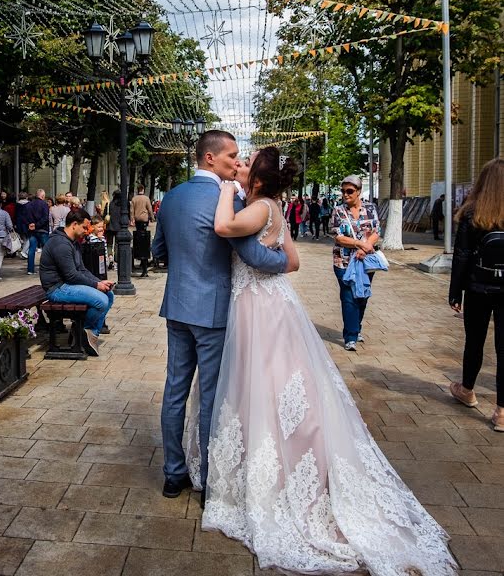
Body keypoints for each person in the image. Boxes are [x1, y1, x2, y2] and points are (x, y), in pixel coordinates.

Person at [186, 145, 456, 576]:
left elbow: (222, 227)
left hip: (257, 307)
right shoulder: (269, 206)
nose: (240, 164)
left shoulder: (256, 209)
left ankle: (273, 475)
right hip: (273, 304)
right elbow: (292, 262)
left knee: (262, 385)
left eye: (246, 163)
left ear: (256, 177)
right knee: (278, 384)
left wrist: (223, 186)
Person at [151, 130, 289, 502]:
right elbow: (255, 256)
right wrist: (286, 260)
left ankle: (173, 473)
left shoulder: (171, 198)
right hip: (212, 313)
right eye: (231, 156)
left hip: (177, 307)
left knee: (175, 391)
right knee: (211, 396)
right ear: (209, 158)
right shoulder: (225, 201)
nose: (236, 162)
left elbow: (158, 250)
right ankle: (211, 480)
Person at [449, 158, 504, 431]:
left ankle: (467, 390)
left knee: (475, 341)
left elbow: (461, 256)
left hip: (477, 287)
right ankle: (502, 412)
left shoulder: (472, 213)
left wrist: (454, 293)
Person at [40, 208, 114, 356]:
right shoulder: (60, 244)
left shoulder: (73, 243)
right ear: (74, 224)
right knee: (102, 301)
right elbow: (72, 275)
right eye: (85, 227)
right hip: (57, 289)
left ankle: (88, 332)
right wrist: (96, 285)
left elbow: (81, 269)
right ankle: (83, 333)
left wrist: (100, 282)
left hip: (67, 284)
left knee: (109, 294)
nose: (87, 231)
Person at [330, 176, 381, 351]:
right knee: (348, 296)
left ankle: (356, 328)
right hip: (343, 261)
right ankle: (350, 336)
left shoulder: (370, 208)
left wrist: (365, 247)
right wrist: (358, 244)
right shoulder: (338, 211)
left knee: (362, 294)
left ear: (358, 191)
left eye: (350, 191)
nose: (345, 194)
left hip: (365, 261)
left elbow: (376, 231)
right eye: (343, 191)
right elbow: (337, 236)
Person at [24, 189, 50, 275]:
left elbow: (25, 217)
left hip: (32, 230)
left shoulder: (28, 205)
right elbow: (45, 218)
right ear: (42, 196)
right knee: (46, 249)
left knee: (31, 249)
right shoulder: (44, 205)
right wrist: (37, 225)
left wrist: (30, 225)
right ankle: (46, 268)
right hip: (42, 229)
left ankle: (30, 269)